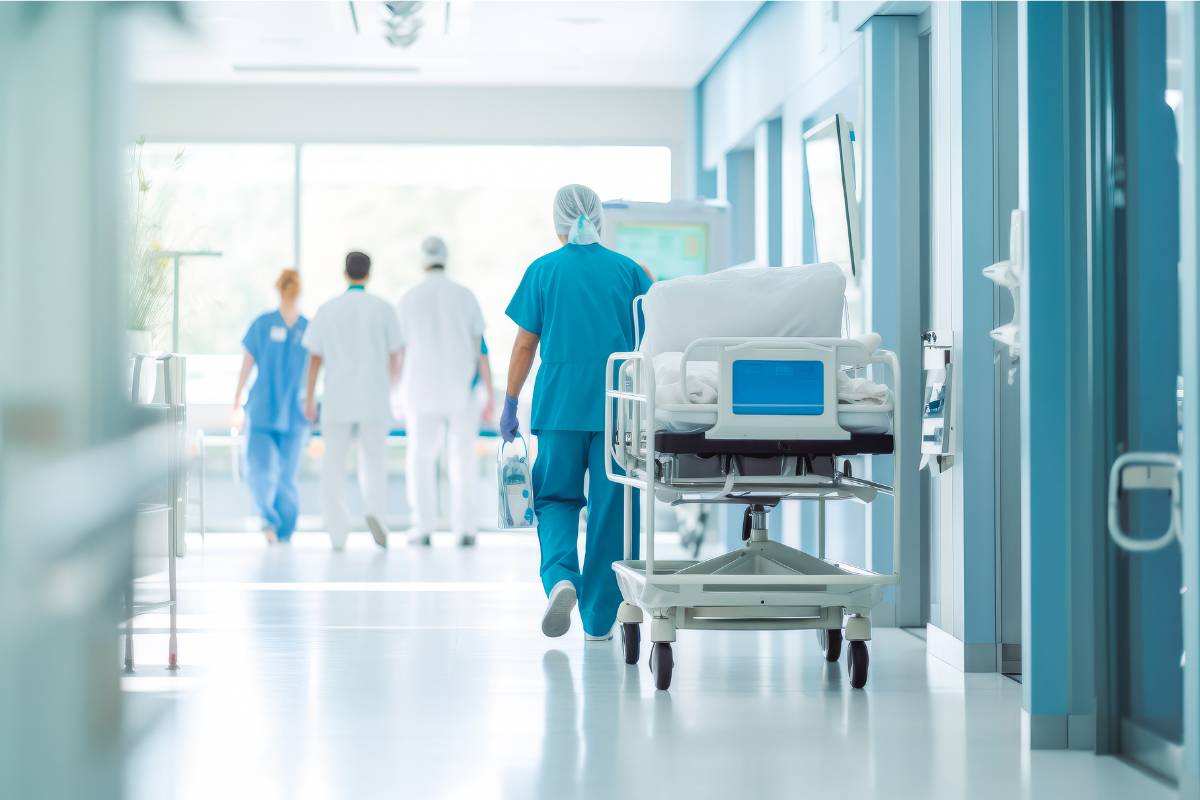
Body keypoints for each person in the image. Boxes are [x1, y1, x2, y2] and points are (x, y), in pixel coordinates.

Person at [502, 184, 653, 641]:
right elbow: (653, 340)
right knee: (613, 510)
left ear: (558, 221)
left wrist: (509, 401)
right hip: (617, 410)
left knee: (555, 500)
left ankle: (561, 578)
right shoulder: (629, 272)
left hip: (560, 406)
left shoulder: (543, 270)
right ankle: (600, 618)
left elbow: (526, 342)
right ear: (600, 219)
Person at [302, 251, 403, 551]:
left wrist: (309, 398)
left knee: (332, 464)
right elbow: (396, 355)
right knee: (373, 461)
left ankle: (337, 531)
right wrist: (391, 386)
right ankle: (375, 512)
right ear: (368, 274)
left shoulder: (327, 309)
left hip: (337, 398)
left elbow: (315, 359)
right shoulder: (383, 309)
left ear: (344, 273)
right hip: (373, 396)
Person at [396, 236, 493, 547]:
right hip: (460, 392)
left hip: (419, 391)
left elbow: (397, 352)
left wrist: (395, 392)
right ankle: (465, 529)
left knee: (420, 461)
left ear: (422, 260)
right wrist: (490, 395)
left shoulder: (408, 298)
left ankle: (423, 527)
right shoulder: (464, 296)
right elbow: (482, 350)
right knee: (462, 460)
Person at [232, 269, 309, 545]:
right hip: (265, 407)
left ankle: (282, 529)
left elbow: (315, 370)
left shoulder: (307, 328)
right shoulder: (264, 324)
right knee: (263, 471)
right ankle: (271, 523)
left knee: (285, 475)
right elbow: (247, 365)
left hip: (294, 411)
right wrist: (236, 403)